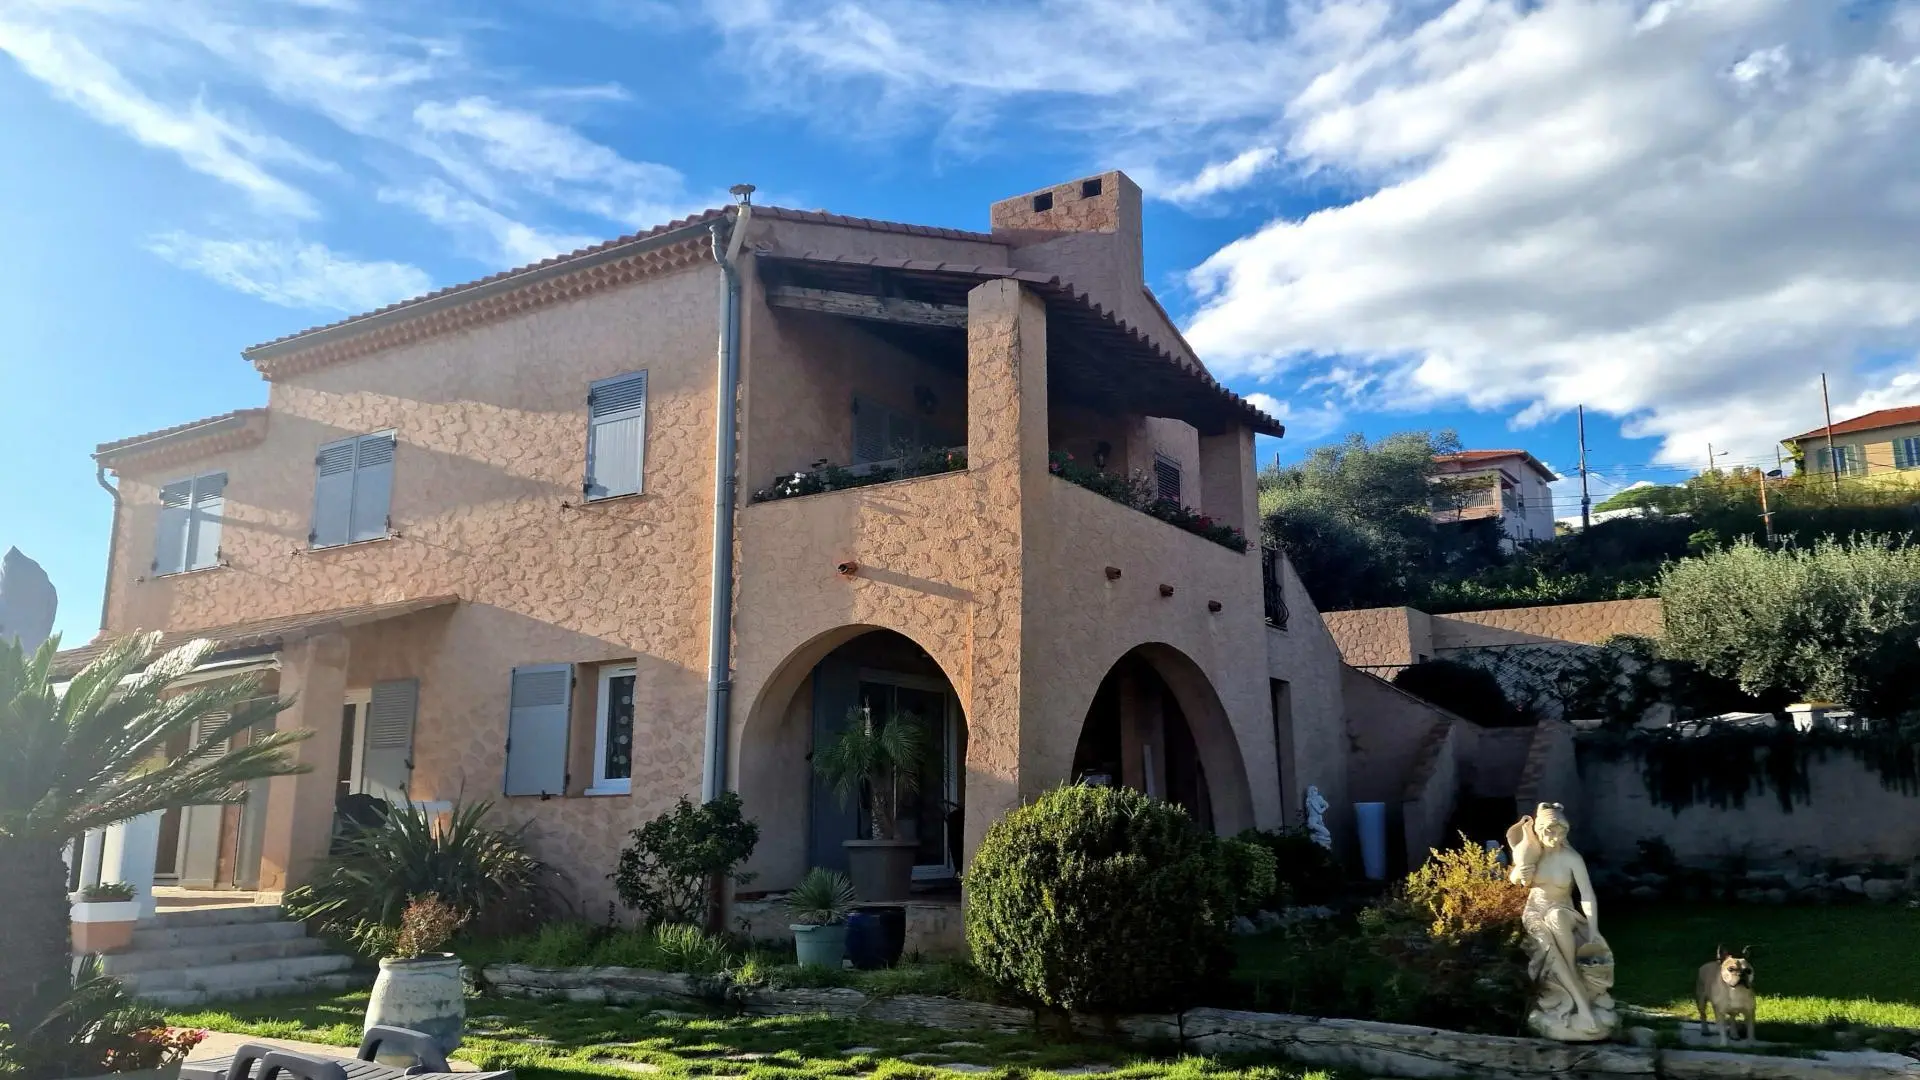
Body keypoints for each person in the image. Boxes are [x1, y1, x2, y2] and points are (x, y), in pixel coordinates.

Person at [1506, 802, 1616, 1040]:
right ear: (1539, 830)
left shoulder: (1571, 858)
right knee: (1547, 947)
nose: (1555, 838)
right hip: (1535, 911)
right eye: (1550, 832)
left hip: (1563, 911)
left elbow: (1586, 894)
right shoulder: (1533, 852)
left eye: (1561, 833)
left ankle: (1582, 1001)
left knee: (1557, 922)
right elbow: (1516, 876)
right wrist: (1518, 874)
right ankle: (1582, 1008)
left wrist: (1593, 930)